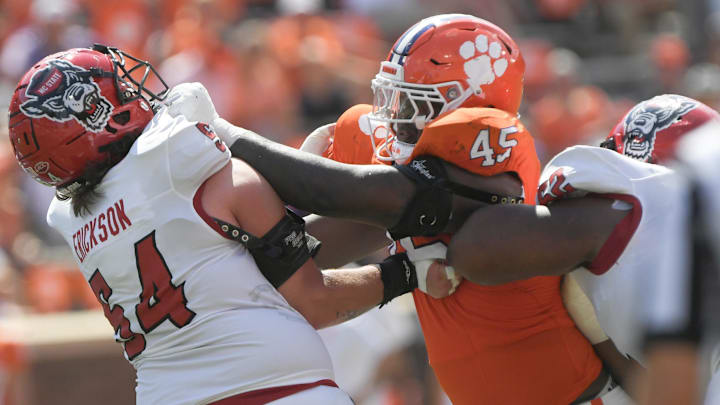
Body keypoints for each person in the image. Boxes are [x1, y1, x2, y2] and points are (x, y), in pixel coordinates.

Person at [201, 14, 618, 405]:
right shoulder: (411, 191)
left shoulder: (491, 153)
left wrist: (220, 134)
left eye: (413, 102)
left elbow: (340, 190)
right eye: (396, 98)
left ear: (466, 101)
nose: (396, 118)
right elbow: (311, 251)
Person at [6, 44, 452, 405]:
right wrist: (408, 272)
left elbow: (233, 267)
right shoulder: (187, 163)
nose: (135, 92)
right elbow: (315, 301)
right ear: (97, 116)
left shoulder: (80, 222)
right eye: (120, 89)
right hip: (275, 394)